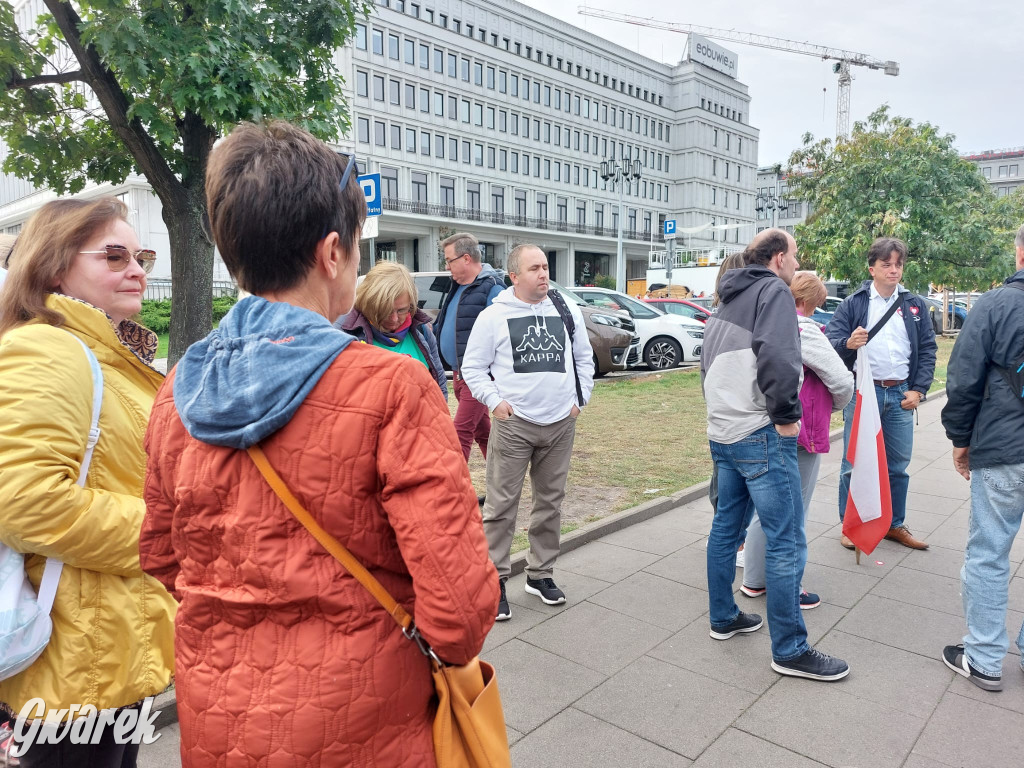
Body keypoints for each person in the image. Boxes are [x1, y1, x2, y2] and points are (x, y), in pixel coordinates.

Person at [140, 122, 497, 766]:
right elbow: (461, 612)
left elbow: (164, 559)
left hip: (219, 719)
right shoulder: (393, 386)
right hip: (366, 722)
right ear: (332, 252)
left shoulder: (176, 395)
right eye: (357, 249)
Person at [0, 197, 176, 766]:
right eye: (115, 256)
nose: (137, 270)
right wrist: (166, 533)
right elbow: (24, 501)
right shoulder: (48, 347)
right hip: (74, 663)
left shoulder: (108, 352)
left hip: (109, 652)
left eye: (142, 257)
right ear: (54, 267)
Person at [701, 227, 849, 681]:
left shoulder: (729, 296)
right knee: (785, 539)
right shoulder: (774, 292)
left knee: (726, 529)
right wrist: (785, 415)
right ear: (779, 257)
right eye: (795, 255)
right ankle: (790, 649)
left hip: (723, 431)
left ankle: (723, 617)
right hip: (759, 433)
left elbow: (708, 362)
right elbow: (780, 355)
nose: (797, 263)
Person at [461, 244, 594, 621]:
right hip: (514, 425)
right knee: (501, 506)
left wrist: (579, 401)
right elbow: (473, 368)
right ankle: (495, 581)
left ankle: (540, 574)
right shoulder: (494, 316)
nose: (543, 274)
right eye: (534, 268)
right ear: (514, 276)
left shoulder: (565, 310)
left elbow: (584, 359)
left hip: (560, 423)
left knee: (551, 502)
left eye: (545, 266)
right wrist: (495, 402)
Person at [939, 224, 1024, 692]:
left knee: (989, 552)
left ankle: (985, 657)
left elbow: (964, 377)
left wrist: (960, 438)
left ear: (1019, 254)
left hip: (1004, 447)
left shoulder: (994, 305)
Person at [740, 272, 854, 607]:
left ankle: (754, 579)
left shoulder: (760, 324)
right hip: (800, 426)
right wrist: (832, 406)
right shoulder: (805, 328)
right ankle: (790, 586)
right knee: (794, 509)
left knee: (765, 507)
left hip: (761, 423)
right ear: (807, 302)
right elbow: (841, 380)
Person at [826, 238, 937, 550]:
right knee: (854, 463)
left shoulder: (914, 305)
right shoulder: (855, 303)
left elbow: (927, 349)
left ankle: (894, 524)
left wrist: (918, 389)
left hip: (901, 393)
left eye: (898, 264)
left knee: (897, 466)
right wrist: (848, 343)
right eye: (886, 264)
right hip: (864, 393)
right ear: (871, 268)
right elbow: (830, 341)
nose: (894, 270)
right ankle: (849, 526)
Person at [434, 232, 504, 463]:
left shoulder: (493, 289)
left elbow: (501, 336)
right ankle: (500, 481)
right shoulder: (457, 286)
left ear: (466, 258)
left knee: (460, 432)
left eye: (449, 260)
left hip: (478, 377)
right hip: (459, 374)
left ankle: (454, 485)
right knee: (483, 433)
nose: (446, 266)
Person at [336, 260, 447, 400]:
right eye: (386, 310)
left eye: (401, 310)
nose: (394, 319)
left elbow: (439, 383)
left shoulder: (421, 331)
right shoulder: (345, 333)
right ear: (368, 304)